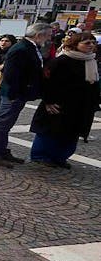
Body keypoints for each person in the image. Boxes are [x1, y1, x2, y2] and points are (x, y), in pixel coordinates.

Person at [0, 22, 54, 167]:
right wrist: (14, 94)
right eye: (47, 35)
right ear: (39, 35)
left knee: (6, 124)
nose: (49, 39)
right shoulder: (21, 49)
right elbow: (10, 74)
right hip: (13, 93)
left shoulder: (30, 47)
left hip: (18, 93)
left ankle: (1, 151)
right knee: (2, 123)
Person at [29, 32, 100, 168]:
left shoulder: (91, 61)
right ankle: (41, 156)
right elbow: (46, 81)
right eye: (87, 43)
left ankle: (59, 157)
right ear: (75, 44)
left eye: (93, 42)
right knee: (49, 132)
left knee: (71, 133)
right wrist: (48, 101)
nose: (91, 45)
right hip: (59, 104)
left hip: (80, 106)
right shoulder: (62, 60)